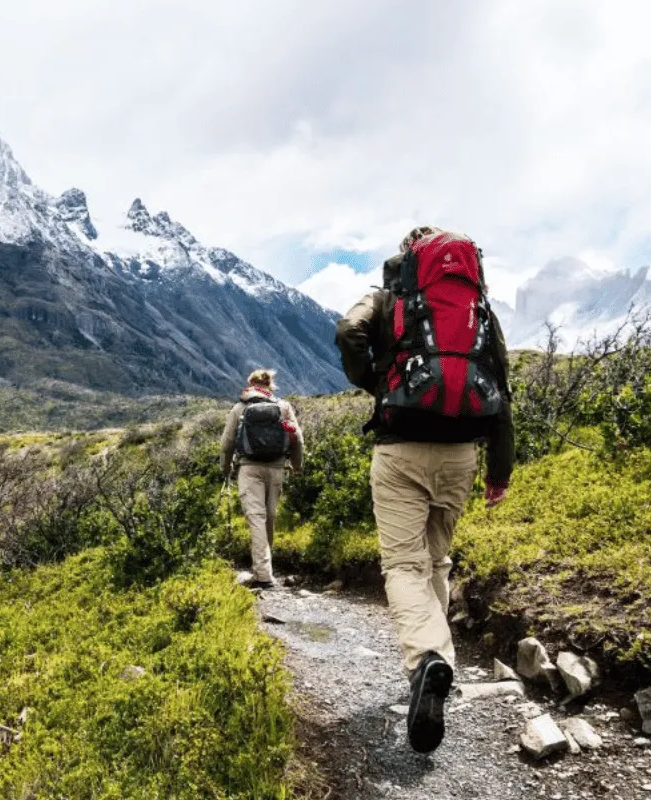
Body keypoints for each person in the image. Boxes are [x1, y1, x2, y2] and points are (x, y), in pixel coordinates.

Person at [335, 226, 514, 754]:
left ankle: (427, 662)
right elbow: (501, 385)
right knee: (436, 561)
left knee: (403, 566)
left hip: (400, 448)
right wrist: (498, 473)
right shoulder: (477, 306)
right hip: (461, 452)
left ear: (408, 255)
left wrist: (375, 381)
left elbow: (348, 331)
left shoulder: (389, 296)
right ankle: (437, 664)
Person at [219, 369, 304, 590]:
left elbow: (227, 443)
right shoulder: (283, 407)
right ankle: (265, 569)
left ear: (250, 385)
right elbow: (297, 438)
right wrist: (296, 466)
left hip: (249, 468)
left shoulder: (240, 408)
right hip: (276, 469)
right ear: (270, 386)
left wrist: (226, 468)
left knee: (256, 517)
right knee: (270, 517)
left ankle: (263, 575)